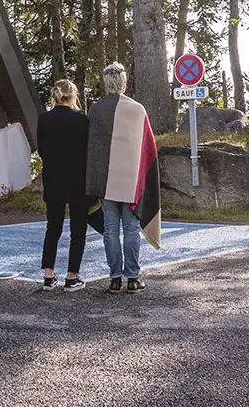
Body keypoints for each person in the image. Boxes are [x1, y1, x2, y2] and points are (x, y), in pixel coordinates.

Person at [83, 62, 161, 293]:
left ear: (106, 84)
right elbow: (148, 148)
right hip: (131, 181)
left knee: (110, 229)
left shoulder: (96, 110)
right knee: (130, 228)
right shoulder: (137, 110)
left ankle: (115, 279)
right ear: (124, 84)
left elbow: (91, 146)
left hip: (105, 180)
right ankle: (133, 278)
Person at [36, 79, 89, 290]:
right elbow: (87, 150)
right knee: (78, 229)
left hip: (53, 179)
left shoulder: (43, 119)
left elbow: (42, 150)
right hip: (78, 180)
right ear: (73, 96)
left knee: (53, 228)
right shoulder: (81, 120)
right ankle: (71, 276)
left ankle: (48, 276)